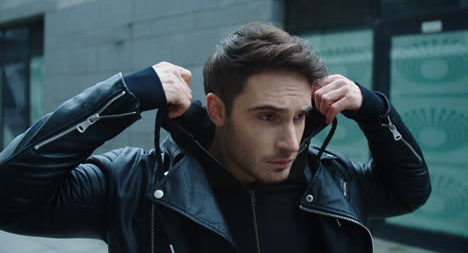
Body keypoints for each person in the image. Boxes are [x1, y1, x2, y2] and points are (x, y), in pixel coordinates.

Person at [0, 22, 430, 253]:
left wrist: (377, 113)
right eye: (267, 117)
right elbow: (9, 197)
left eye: (300, 117)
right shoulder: (136, 185)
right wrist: (122, 97)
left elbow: (407, 192)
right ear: (218, 109)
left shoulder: (331, 182)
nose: (291, 142)